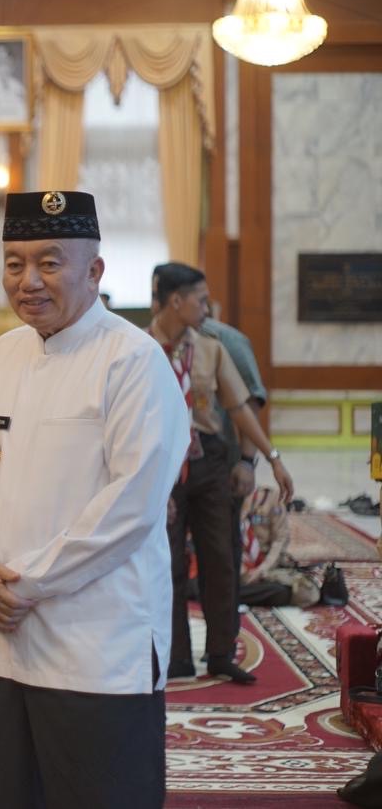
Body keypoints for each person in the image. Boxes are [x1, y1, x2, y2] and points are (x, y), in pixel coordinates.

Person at [0, 191, 190, 808]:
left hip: (97, 649)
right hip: (6, 645)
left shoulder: (133, 360)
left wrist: (24, 585)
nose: (29, 280)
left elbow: (131, 507)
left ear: (94, 270)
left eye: (50, 263)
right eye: (15, 264)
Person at [149, 262, 294, 683]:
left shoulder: (212, 348)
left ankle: (221, 653)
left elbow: (240, 408)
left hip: (208, 461)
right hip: (160, 465)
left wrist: (271, 457)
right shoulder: (140, 348)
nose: (207, 307)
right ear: (176, 301)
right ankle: (175, 656)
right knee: (166, 562)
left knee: (220, 558)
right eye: (200, 299)